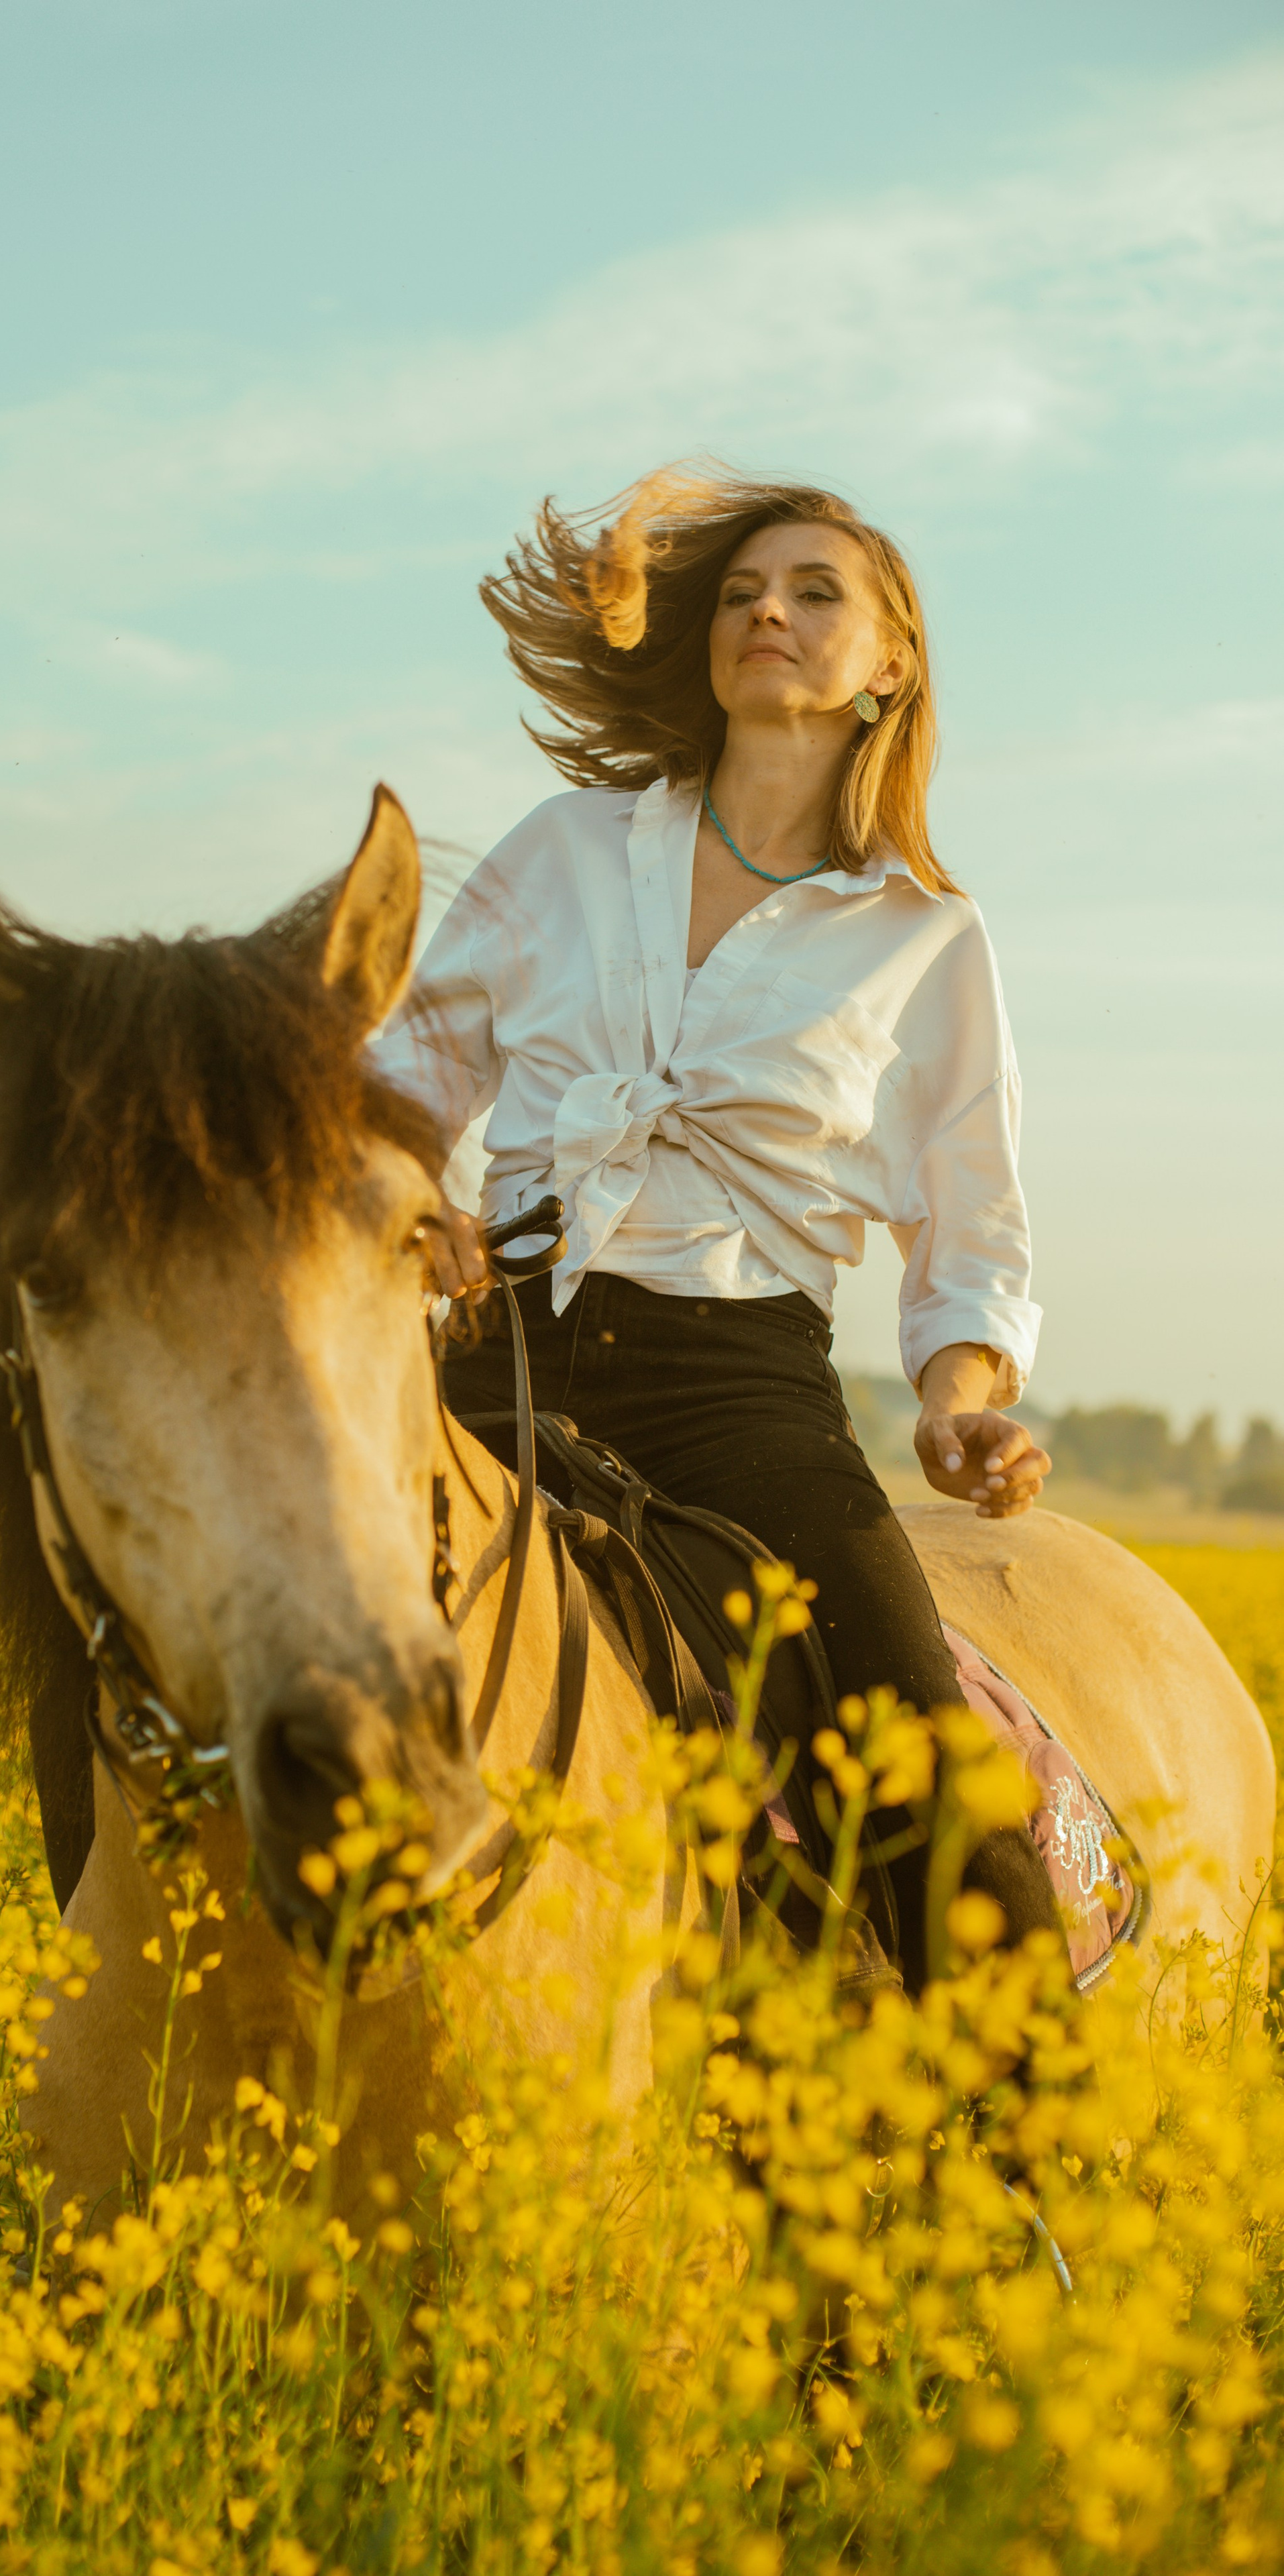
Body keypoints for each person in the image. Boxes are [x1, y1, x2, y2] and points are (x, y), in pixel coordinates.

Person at [368, 467, 1057, 1987]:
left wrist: (957, 1408)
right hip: (496, 1359)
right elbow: (401, 1085)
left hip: (736, 1392)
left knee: (920, 1778)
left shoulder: (925, 935)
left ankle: (1041, 2162)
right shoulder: (560, 850)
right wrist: (421, 1210)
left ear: (890, 665)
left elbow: (971, 1222)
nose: (767, 610)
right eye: (746, 590)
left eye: (818, 593)